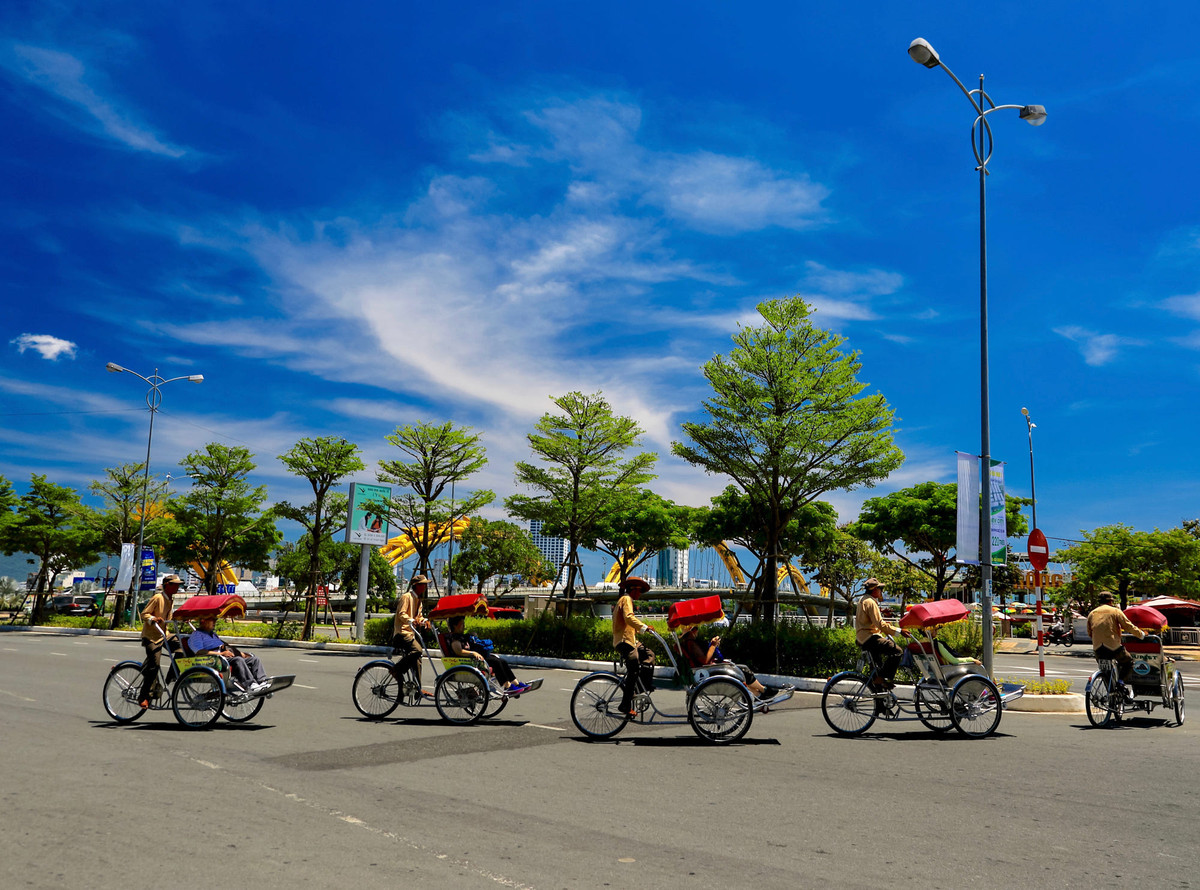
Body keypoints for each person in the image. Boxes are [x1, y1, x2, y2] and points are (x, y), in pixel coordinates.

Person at [677, 624, 777, 699]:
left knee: (742, 669)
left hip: (705, 669)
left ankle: (758, 693)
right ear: (692, 631)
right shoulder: (692, 644)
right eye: (696, 629)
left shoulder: (688, 643)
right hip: (707, 671)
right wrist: (713, 645)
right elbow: (705, 660)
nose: (697, 631)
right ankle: (762, 690)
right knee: (742, 671)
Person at [444, 614, 529, 694]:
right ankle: (508, 686)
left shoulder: (461, 636)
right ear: (455, 626)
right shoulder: (454, 638)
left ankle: (516, 683)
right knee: (496, 663)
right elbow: (459, 651)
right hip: (468, 661)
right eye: (461, 624)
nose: (464, 625)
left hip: (474, 659)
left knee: (501, 661)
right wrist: (473, 653)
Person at [187, 615, 269, 692]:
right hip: (214, 660)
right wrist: (222, 654)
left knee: (254, 660)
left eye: (215, 619)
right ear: (203, 621)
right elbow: (199, 652)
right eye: (213, 620)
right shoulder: (196, 635)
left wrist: (242, 654)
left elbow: (225, 646)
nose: (215, 622)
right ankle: (250, 684)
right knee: (238, 660)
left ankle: (262, 681)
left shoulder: (213, 634)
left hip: (225, 657)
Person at [1087, 592, 1147, 693]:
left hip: (1097, 648)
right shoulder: (1115, 611)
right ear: (1111, 601)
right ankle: (1120, 682)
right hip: (1113, 647)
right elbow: (1128, 626)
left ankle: (1110, 693)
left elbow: (1090, 632)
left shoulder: (1092, 613)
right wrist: (1141, 634)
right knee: (1128, 662)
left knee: (1106, 671)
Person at [613, 576, 656, 718]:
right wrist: (644, 627)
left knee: (649, 655)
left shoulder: (628, 600)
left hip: (631, 640)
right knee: (633, 667)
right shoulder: (626, 599)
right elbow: (629, 618)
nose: (640, 594)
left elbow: (629, 623)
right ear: (632, 590)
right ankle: (625, 704)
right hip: (624, 641)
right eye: (639, 591)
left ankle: (641, 687)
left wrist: (644, 629)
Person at [137, 574, 183, 707]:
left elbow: (169, 616)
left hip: (165, 634)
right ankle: (144, 696)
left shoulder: (170, 599)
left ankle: (171, 677)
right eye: (175, 584)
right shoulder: (158, 597)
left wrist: (181, 618)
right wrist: (153, 619)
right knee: (154, 665)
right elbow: (145, 614)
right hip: (152, 636)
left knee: (182, 648)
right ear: (167, 585)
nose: (178, 587)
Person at [856, 578, 902, 690]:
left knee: (877, 669)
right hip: (869, 638)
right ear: (875, 590)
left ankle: (880, 702)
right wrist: (899, 631)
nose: (881, 591)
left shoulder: (863, 600)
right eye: (880, 589)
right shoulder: (871, 602)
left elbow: (873, 622)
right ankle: (881, 678)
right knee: (897, 651)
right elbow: (880, 624)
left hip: (863, 638)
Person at [392, 574, 433, 695]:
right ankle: (396, 670)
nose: (425, 586)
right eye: (424, 584)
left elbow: (419, 617)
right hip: (402, 633)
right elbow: (401, 613)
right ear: (417, 586)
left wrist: (425, 621)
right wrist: (410, 620)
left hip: (410, 634)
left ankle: (418, 688)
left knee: (418, 660)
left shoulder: (418, 600)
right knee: (417, 650)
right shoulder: (406, 597)